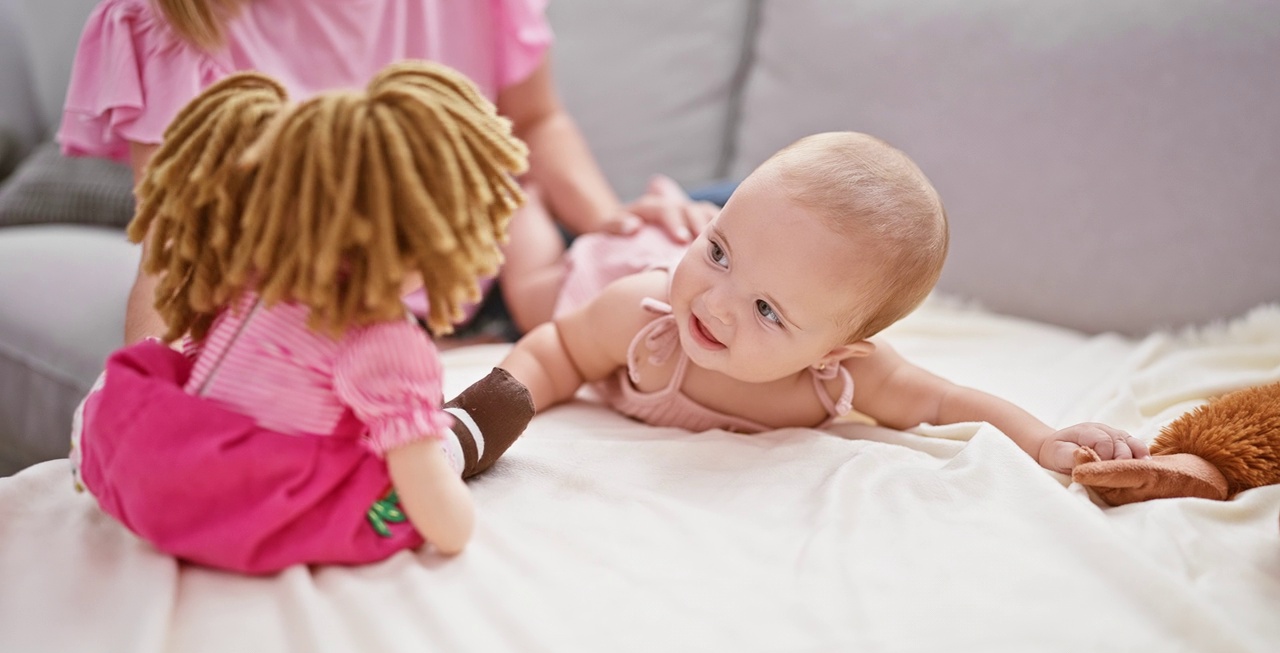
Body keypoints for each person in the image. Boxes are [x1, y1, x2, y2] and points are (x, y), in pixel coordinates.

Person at [70, 62, 528, 574]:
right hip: (251, 508)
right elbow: (445, 524)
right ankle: (463, 435)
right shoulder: (384, 342)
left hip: (161, 474)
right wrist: (454, 514)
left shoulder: (253, 278)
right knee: (409, 472)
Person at [58, 0, 714, 345]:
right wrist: (142, 400)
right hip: (330, 322)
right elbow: (179, 250)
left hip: (506, 266)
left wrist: (610, 223)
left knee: (746, 224)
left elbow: (536, 122)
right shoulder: (173, 22)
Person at [495, 132, 1150, 473]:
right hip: (616, 263)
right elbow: (554, 351)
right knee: (533, 300)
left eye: (768, 311)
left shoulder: (839, 378)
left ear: (836, 350)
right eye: (718, 251)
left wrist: (1044, 442)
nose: (715, 306)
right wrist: (485, 420)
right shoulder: (646, 313)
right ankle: (521, 189)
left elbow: (944, 401)